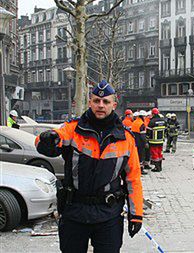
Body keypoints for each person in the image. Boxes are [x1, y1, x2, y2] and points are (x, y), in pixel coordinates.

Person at [34, 80, 143, 253]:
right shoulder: (72, 128)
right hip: (75, 212)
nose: (101, 105)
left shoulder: (126, 138)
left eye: (106, 102)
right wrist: (47, 139)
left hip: (108, 214)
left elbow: (133, 179)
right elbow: (51, 140)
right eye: (96, 101)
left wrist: (136, 215)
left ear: (114, 105)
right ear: (89, 102)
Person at [146, 108, 166, 172]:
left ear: (153, 114)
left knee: (154, 154)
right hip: (161, 141)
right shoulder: (163, 121)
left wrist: (147, 139)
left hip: (153, 141)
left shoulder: (152, 121)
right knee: (160, 153)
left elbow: (148, 132)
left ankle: (157, 168)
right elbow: (165, 130)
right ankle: (160, 167)